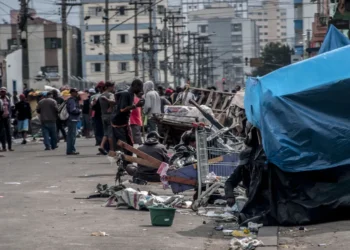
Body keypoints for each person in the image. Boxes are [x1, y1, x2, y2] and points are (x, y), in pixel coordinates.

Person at [111, 79, 144, 160]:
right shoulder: (126, 94)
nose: (141, 90)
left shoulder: (131, 94)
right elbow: (122, 109)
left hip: (124, 122)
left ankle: (127, 163)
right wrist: (136, 105)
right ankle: (124, 164)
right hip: (119, 124)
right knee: (125, 145)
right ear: (135, 86)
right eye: (140, 88)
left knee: (129, 144)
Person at [98, 81, 115, 155]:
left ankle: (101, 146)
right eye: (113, 87)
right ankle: (112, 150)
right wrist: (111, 107)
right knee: (110, 134)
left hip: (103, 115)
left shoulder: (101, 95)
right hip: (109, 116)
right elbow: (113, 101)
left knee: (106, 133)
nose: (113, 88)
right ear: (109, 87)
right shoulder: (110, 94)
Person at [66, 88, 81, 155]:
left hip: (71, 119)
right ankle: (71, 150)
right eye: (75, 92)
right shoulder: (72, 100)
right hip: (72, 119)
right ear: (72, 93)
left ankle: (70, 150)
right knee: (72, 135)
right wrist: (79, 110)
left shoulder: (73, 100)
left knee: (71, 135)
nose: (76, 93)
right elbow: (73, 110)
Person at [91, 81, 105, 148]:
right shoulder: (109, 95)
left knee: (100, 132)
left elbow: (94, 107)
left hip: (99, 116)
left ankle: (102, 147)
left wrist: (93, 104)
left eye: (99, 88)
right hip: (103, 116)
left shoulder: (99, 96)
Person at [0, 87, 13, 152]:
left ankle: (10, 147)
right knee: (2, 133)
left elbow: (10, 107)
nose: (2, 93)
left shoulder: (7, 98)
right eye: (1, 91)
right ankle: (4, 147)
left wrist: (10, 115)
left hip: (7, 116)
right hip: (1, 117)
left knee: (8, 132)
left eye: (4, 91)